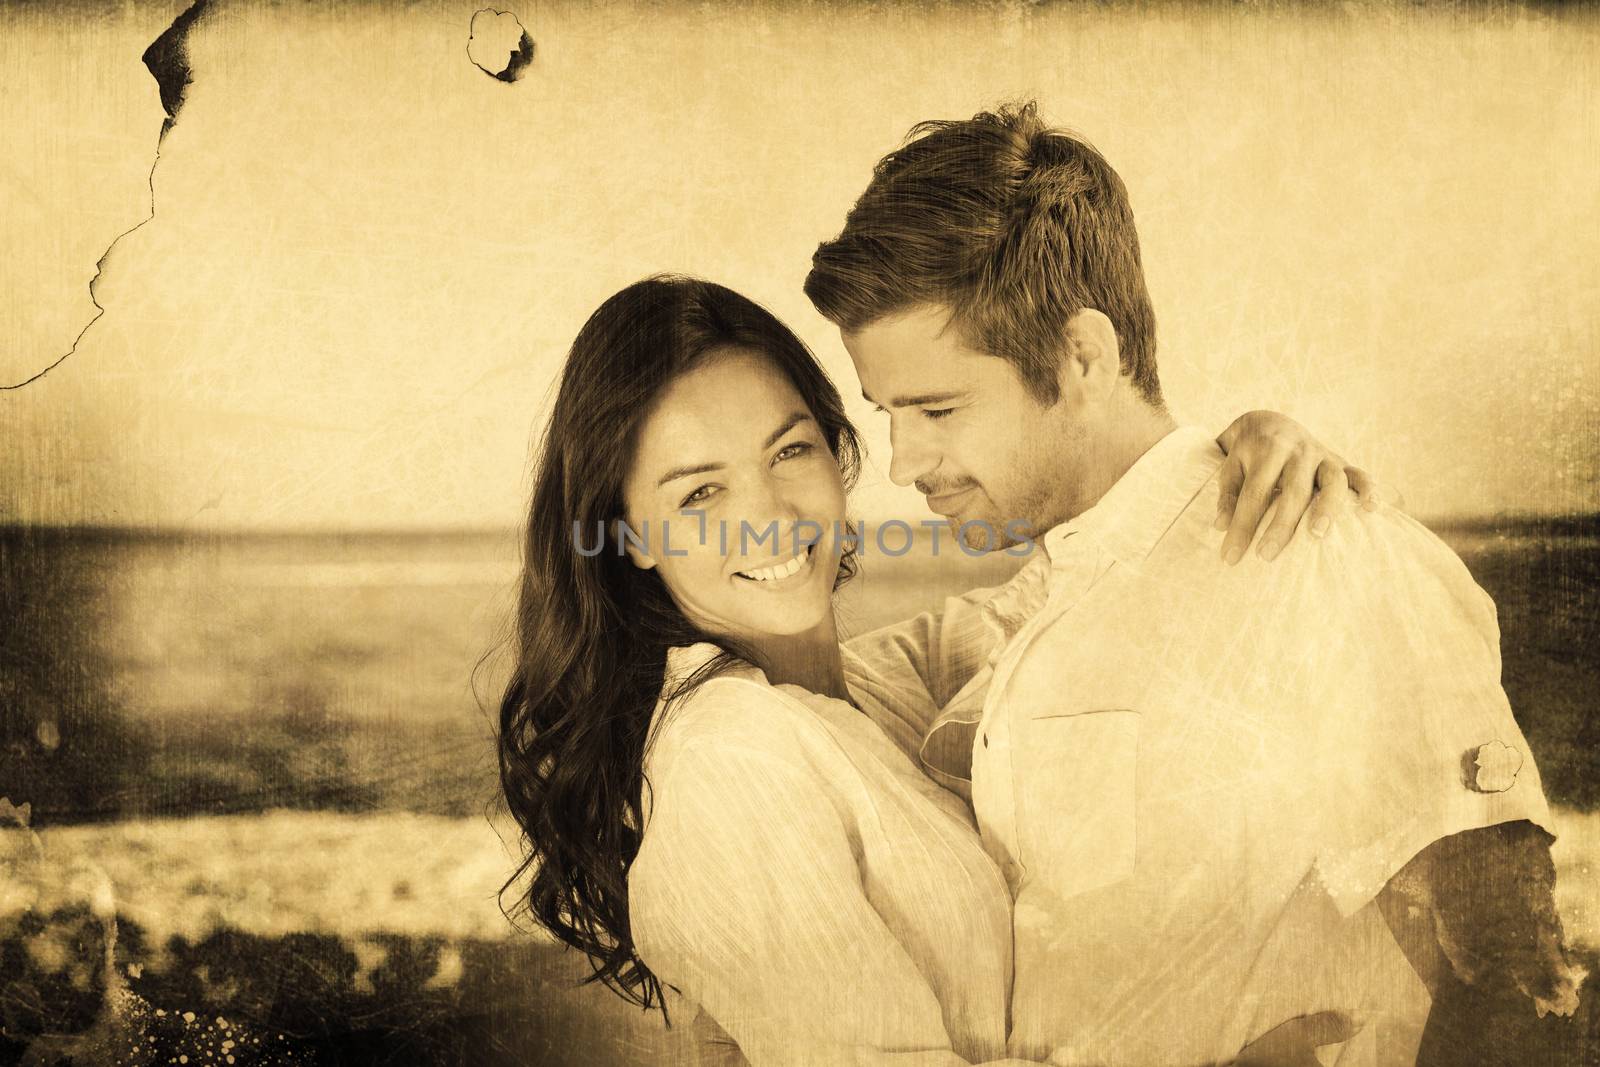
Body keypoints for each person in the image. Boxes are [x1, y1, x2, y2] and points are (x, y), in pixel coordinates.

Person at [805, 102, 1584, 1066]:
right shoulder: (1038, 605)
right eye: (888, 411)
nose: (903, 458)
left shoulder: (1322, 551)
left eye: (937, 408)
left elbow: (1518, 979)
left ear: (1082, 355)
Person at [496, 275, 1373, 1066]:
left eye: (788, 451)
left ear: (839, 457)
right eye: (699, 493)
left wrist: (1235, 452)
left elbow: (1079, 584)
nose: (764, 517)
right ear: (633, 536)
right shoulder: (730, 757)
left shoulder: (877, 685)